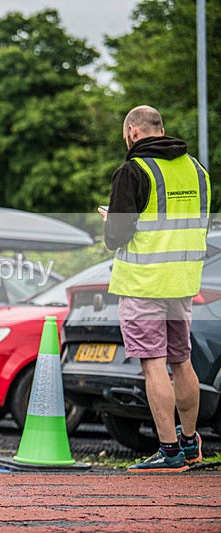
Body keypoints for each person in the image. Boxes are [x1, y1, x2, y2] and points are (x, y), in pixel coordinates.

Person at [102, 105, 211, 473]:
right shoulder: (197, 170)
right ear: (160, 129)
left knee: (154, 365)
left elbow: (117, 236)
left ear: (132, 132)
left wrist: (109, 220)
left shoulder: (132, 171)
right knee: (181, 361)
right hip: (183, 283)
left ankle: (168, 451)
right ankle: (191, 443)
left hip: (144, 283)